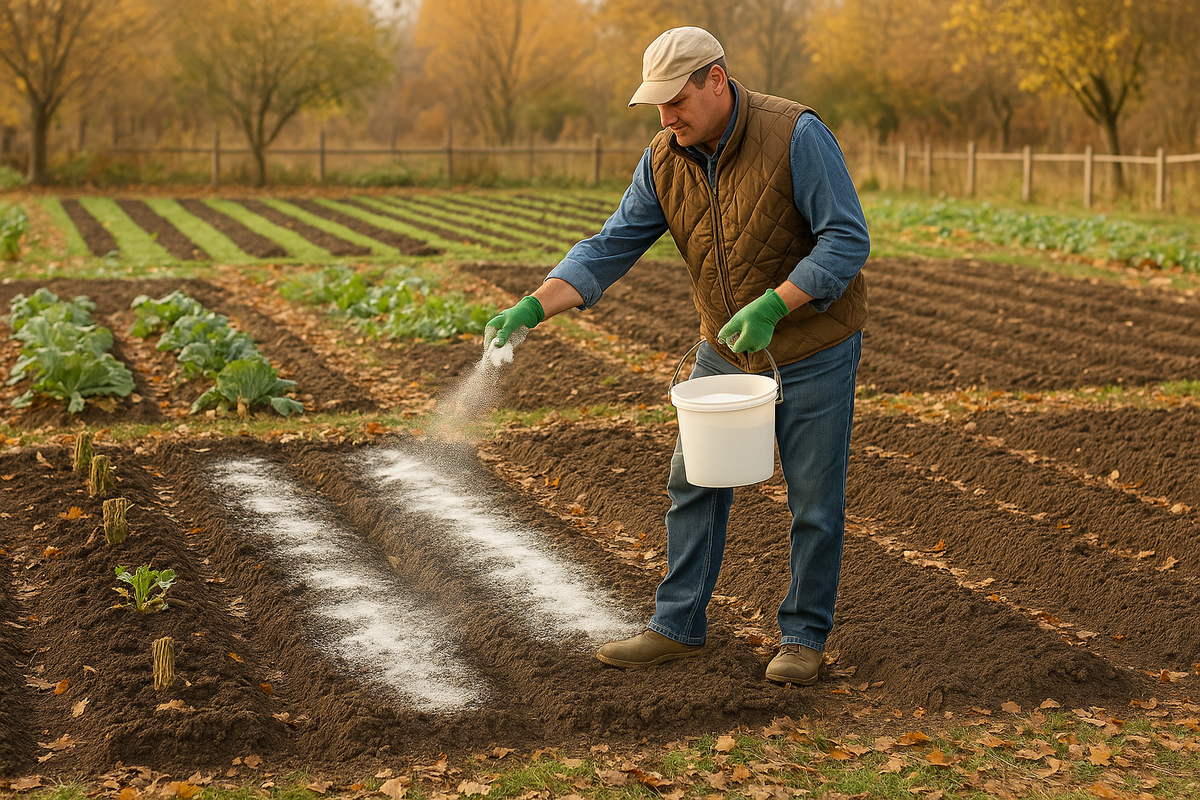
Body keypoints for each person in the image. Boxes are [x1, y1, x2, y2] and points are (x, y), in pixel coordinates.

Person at [486, 26, 869, 685]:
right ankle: (678, 625)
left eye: (676, 102)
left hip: (813, 347)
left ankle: (803, 637)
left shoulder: (795, 134)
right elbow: (610, 246)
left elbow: (845, 240)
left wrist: (777, 304)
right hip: (724, 345)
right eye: (656, 106)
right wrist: (531, 305)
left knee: (811, 499)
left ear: (715, 80)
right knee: (694, 478)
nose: (666, 118)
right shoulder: (665, 157)